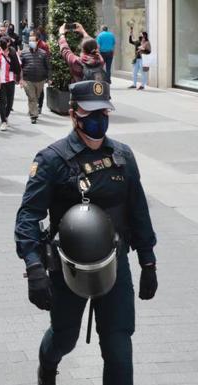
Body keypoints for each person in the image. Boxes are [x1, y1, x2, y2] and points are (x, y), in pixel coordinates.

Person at [14, 80, 158, 385]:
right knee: (64, 338)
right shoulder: (51, 160)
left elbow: (138, 210)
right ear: (73, 114)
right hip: (70, 269)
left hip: (114, 265)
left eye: (103, 111)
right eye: (90, 113)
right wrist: (34, 266)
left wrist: (148, 261)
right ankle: (48, 365)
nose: (98, 119)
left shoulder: (123, 156)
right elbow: (28, 215)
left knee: (119, 347)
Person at [20, 32, 50, 124]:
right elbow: (20, 67)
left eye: (33, 40)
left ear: (37, 42)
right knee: (32, 97)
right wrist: (20, 79)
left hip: (40, 80)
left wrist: (49, 78)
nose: (31, 42)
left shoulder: (43, 53)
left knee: (36, 97)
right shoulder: (24, 52)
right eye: (29, 41)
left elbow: (48, 66)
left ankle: (32, 109)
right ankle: (34, 115)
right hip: (28, 79)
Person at [0, 36, 20, 131]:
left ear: (8, 43)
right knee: (3, 101)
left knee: (10, 102)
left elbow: (19, 66)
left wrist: (20, 79)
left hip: (11, 80)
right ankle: (3, 121)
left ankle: (6, 116)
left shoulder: (13, 54)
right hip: (1, 82)